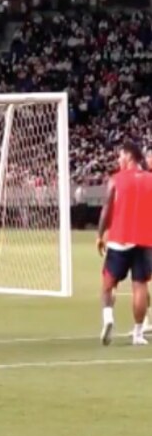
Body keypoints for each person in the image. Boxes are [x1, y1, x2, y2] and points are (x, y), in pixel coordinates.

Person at [96, 143, 152, 345]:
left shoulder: (116, 179)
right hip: (145, 240)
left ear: (129, 156)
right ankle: (138, 334)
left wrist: (100, 235)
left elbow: (106, 208)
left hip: (120, 238)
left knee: (108, 285)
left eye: (120, 156)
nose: (118, 160)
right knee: (140, 286)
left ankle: (108, 318)